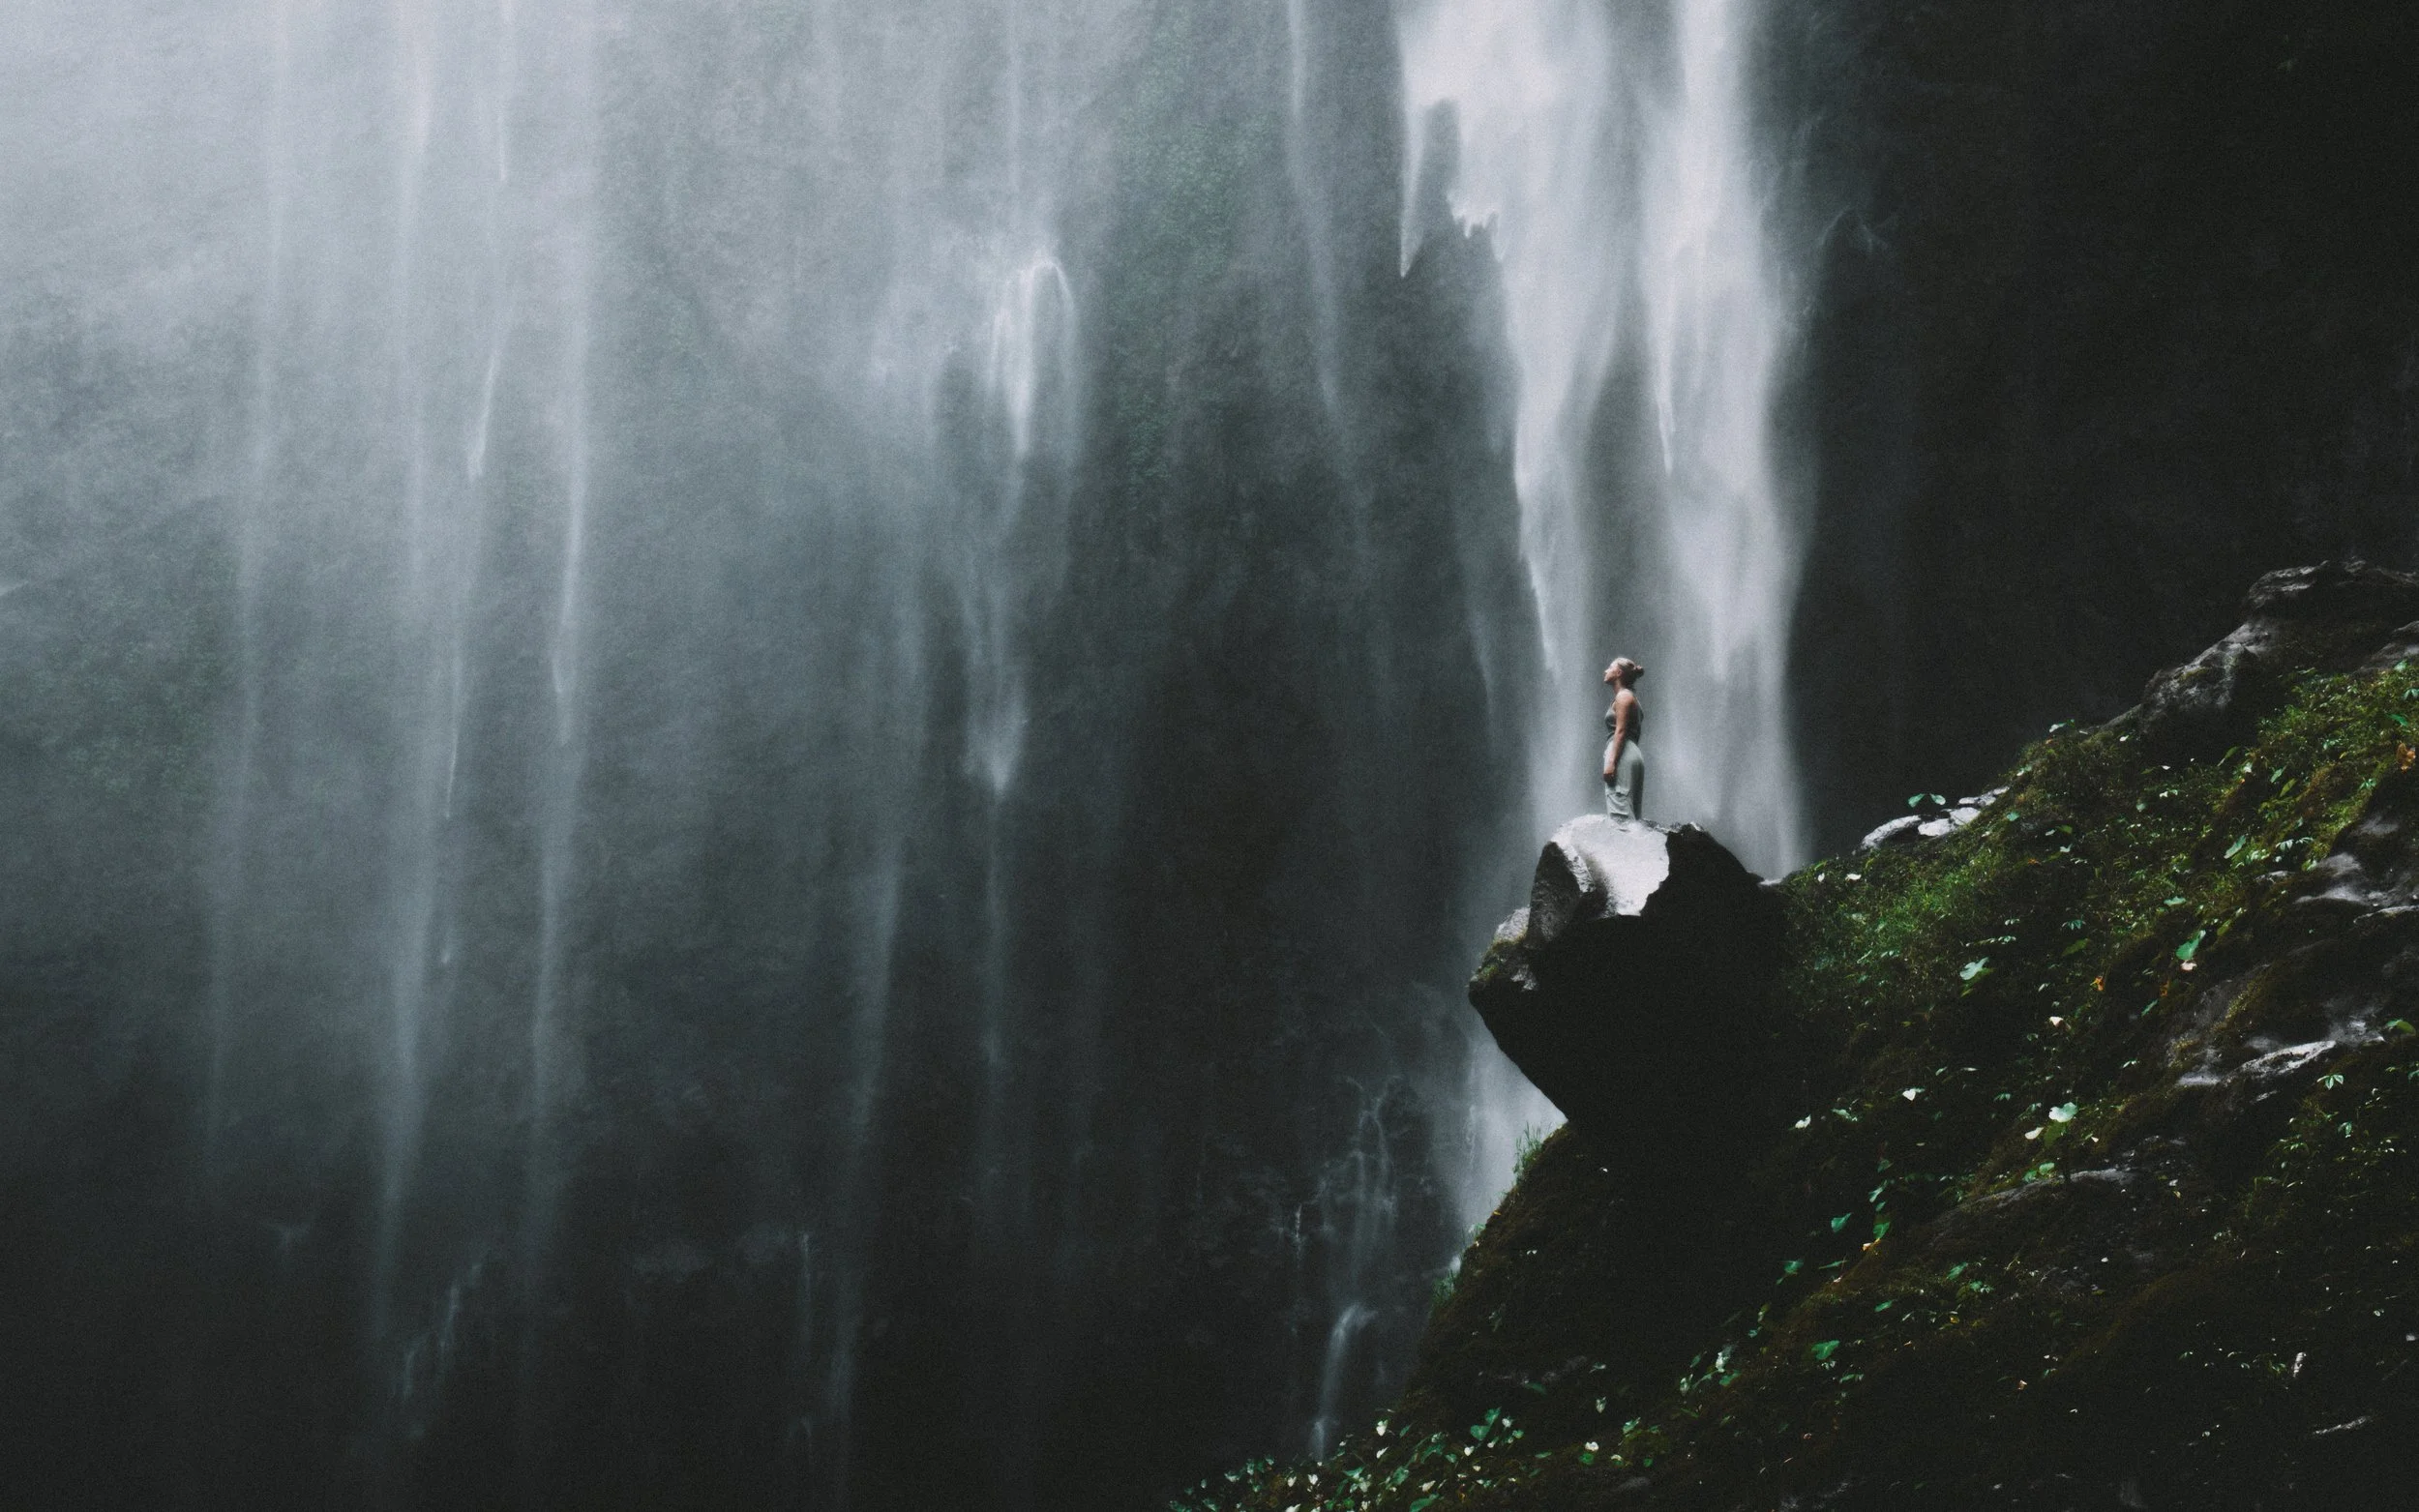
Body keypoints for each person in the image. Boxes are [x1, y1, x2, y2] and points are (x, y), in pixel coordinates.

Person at [1601, 657, 1646, 821]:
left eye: (1610, 667)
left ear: (1618, 672)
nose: (1605, 671)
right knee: (1632, 811)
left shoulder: (1623, 697)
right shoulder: (1630, 697)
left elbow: (1620, 731)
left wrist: (1612, 761)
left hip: (1622, 752)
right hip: (1631, 752)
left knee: (1619, 810)